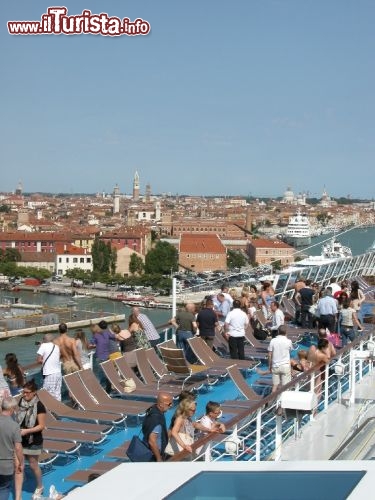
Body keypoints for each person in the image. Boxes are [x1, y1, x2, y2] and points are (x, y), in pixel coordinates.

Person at [15, 380, 46, 499]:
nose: (24, 395)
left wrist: (27, 431)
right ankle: (18, 494)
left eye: (27, 393)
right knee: (18, 465)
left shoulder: (39, 406)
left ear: (34, 393)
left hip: (33, 440)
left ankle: (39, 486)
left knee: (33, 465)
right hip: (20, 439)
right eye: (23, 392)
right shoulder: (21, 401)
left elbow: (41, 426)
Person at [0, 397, 24, 500]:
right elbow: (18, 448)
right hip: (6, 466)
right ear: (12, 409)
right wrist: (21, 463)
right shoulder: (14, 426)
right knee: (4, 489)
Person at [142, 392, 172, 462]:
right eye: (169, 404)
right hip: (154, 455)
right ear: (161, 404)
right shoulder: (156, 419)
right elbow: (152, 441)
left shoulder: (153, 409)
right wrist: (158, 458)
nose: (171, 405)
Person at [268, 325, 292, 393]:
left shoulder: (273, 341)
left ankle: (271, 402)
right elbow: (289, 352)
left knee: (275, 385)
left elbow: (269, 355)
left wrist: (269, 366)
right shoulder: (288, 341)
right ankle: (282, 402)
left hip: (275, 366)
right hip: (285, 366)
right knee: (285, 387)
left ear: (278, 332)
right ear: (286, 332)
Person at [37, 334, 62, 401]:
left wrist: (40, 347)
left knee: (48, 395)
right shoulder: (56, 346)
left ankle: (50, 411)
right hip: (58, 373)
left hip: (50, 373)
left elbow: (39, 360)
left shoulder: (43, 346)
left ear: (44, 339)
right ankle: (59, 409)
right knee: (57, 394)